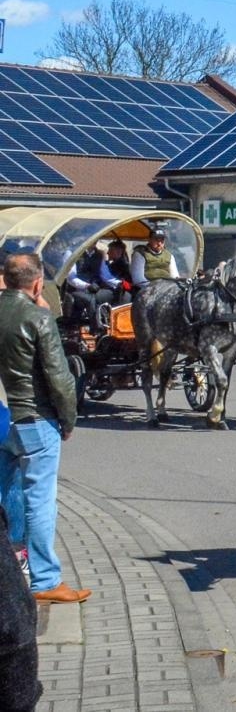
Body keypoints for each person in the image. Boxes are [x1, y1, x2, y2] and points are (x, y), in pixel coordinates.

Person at [0, 253, 89, 605]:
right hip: (35, 419)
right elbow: (59, 378)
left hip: (3, 415)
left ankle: (10, 564)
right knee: (40, 502)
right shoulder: (38, 318)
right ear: (37, 283)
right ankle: (45, 580)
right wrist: (68, 420)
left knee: (7, 492)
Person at [63, 243, 122, 331]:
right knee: (90, 300)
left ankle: (112, 326)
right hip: (76, 290)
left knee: (113, 294)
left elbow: (105, 276)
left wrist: (120, 283)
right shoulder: (71, 252)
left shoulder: (99, 255)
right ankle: (97, 329)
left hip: (94, 289)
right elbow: (71, 278)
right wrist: (86, 285)